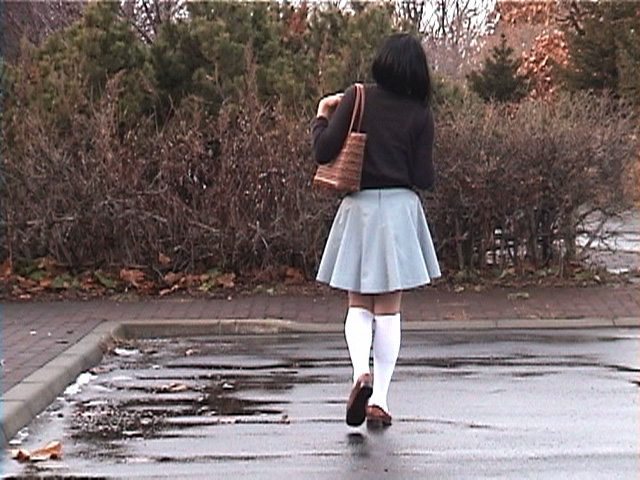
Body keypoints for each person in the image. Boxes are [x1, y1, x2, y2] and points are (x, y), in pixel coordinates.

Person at [311, 33, 441, 428]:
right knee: (389, 309)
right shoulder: (420, 114)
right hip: (400, 212)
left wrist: (322, 114)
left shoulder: (358, 98)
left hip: (360, 209)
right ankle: (380, 400)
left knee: (358, 303)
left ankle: (359, 374)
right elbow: (424, 177)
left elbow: (323, 151)